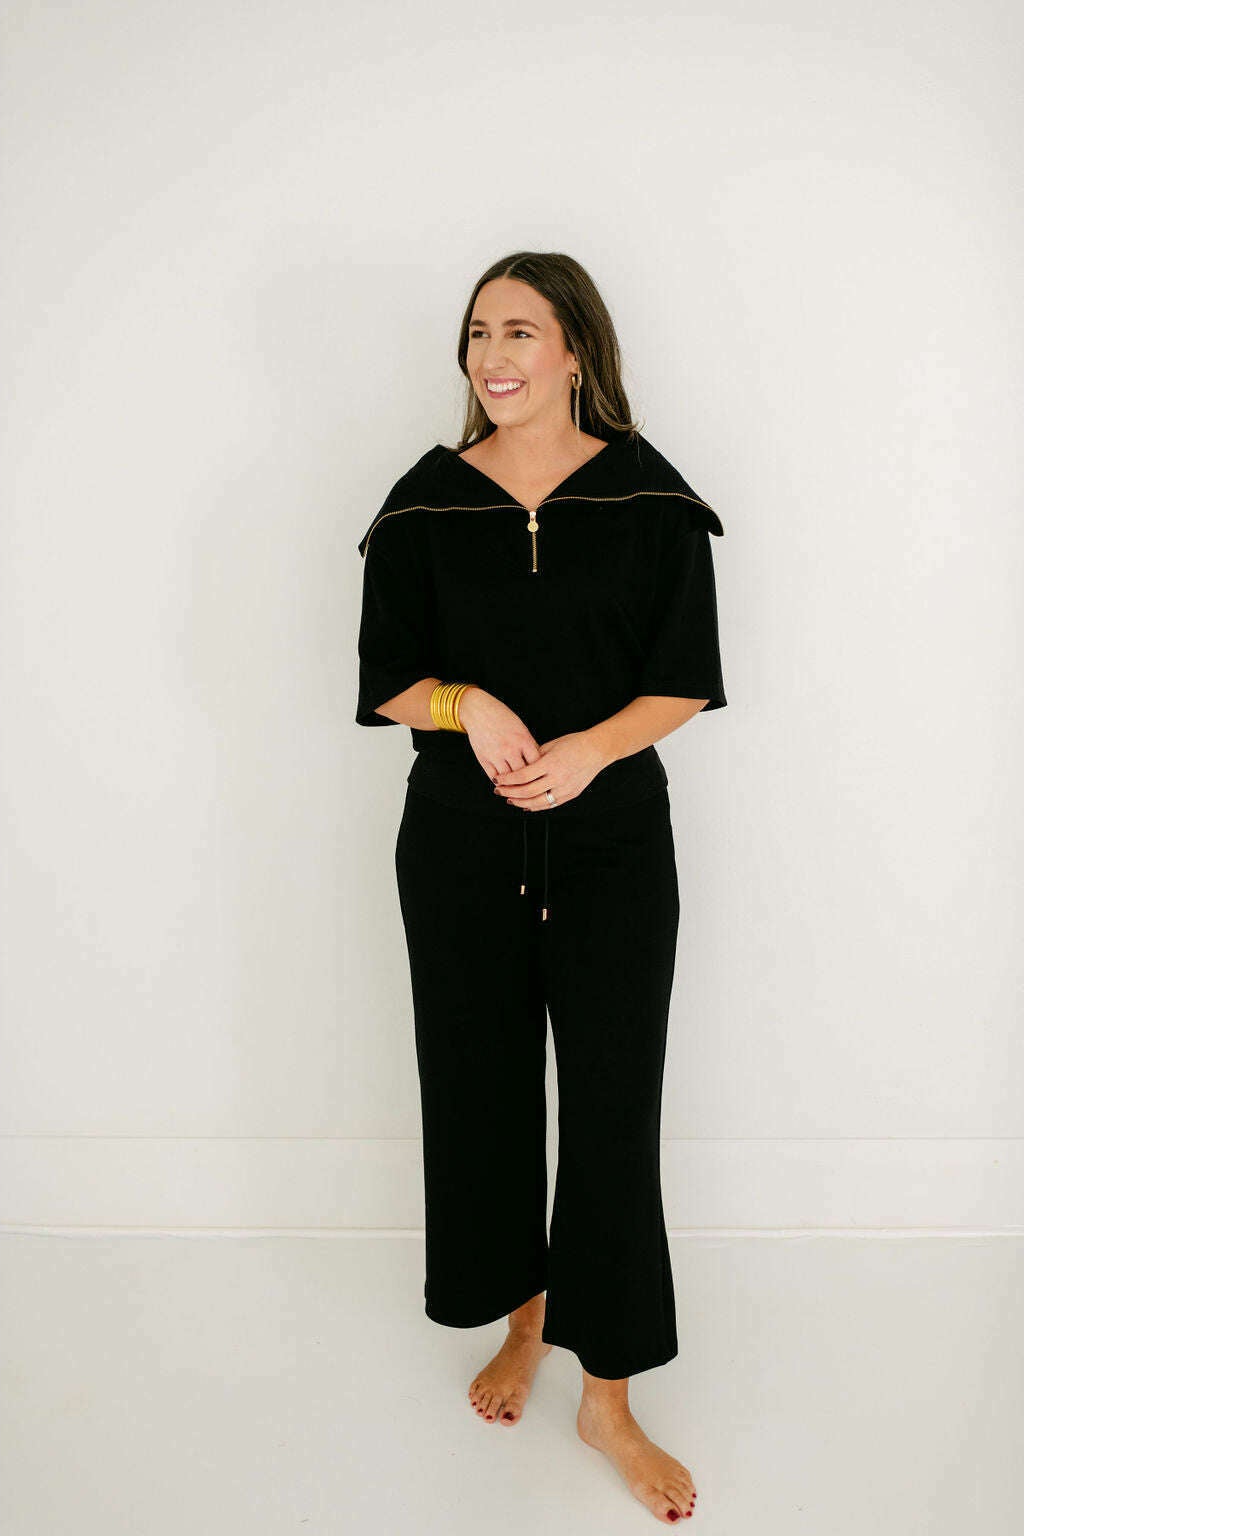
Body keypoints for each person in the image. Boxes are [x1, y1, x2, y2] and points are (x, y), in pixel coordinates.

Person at [354, 252, 725, 1526]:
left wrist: (592, 750)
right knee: (483, 1100)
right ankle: (525, 1323)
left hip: (613, 849)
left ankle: (607, 1399)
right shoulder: (423, 503)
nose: (493, 356)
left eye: (520, 331)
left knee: (614, 1116)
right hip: (459, 850)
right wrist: (471, 705)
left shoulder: (651, 497)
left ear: (575, 350)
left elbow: (684, 680)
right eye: (477, 334)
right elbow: (389, 679)